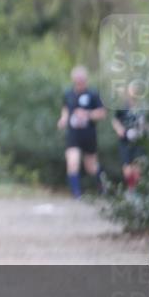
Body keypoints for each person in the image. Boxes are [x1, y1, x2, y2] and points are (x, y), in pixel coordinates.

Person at [57, 66, 107, 199]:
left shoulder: (93, 94)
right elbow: (66, 109)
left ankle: (104, 188)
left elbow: (102, 113)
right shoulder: (68, 94)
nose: (80, 83)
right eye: (77, 81)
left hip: (89, 134)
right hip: (73, 134)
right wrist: (63, 119)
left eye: (82, 80)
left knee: (91, 166)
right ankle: (76, 194)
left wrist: (87, 114)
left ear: (86, 80)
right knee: (72, 161)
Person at [111, 82, 146, 194]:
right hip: (125, 141)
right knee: (127, 169)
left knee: (137, 168)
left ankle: (136, 191)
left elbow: (146, 123)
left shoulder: (142, 107)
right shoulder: (122, 106)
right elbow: (115, 120)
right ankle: (131, 190)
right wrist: (119, 130)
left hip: (138, 141)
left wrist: (141, 130)